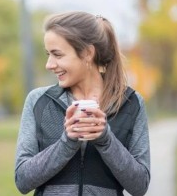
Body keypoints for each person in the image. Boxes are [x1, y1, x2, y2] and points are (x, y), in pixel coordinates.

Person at [15, 12, 150, 196]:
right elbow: (22, 181)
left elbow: (140, 186)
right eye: (48, 54)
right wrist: (67, 141)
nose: (49, 64)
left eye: (57, 54)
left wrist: (105, 139)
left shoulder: (131, 103)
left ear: (87, 53)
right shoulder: (38, 101)